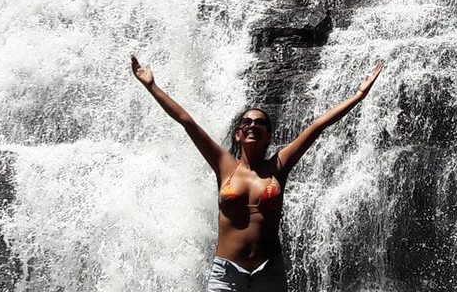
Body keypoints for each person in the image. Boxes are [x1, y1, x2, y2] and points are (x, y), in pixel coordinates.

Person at [130, 54, 384, 292]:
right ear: (238, 134)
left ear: (269, 135)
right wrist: (151, 86)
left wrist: (359, 95)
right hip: (227, 274)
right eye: (247, 122)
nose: (253, 125)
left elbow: (318, 126)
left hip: (268, 273)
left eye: (261, 123)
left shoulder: (278, 166)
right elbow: (187, 121)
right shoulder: (224, 164)